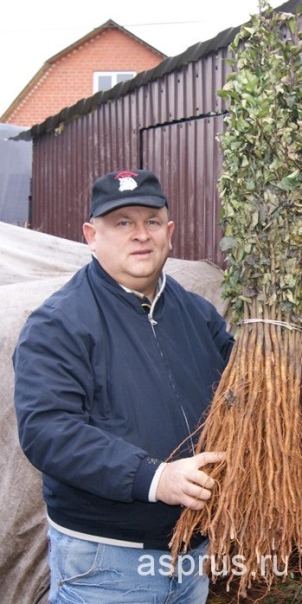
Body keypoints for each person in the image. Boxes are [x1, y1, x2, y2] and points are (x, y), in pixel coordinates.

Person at [13, 169, 234, 604]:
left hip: (192, 553)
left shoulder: (197, 313)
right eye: (122, 223)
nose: (141, 235)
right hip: (105, 561)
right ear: (91, 236)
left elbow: (233, 389)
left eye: (151, 221)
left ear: (169, 232)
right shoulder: (59, 322)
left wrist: (273, 364)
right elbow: (48, 432)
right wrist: (154, 478)